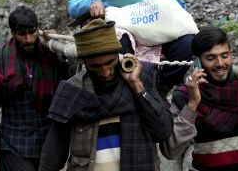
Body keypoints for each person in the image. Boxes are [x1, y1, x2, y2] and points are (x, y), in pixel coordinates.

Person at [39, 18, 173, 171]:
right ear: (84, 62)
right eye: (96, 66)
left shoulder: (143, 79)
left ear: (118, 55)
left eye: (110, 62)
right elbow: (53, 154)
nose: (105, 72)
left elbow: (163, 131)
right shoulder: (72, 92)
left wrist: (137, 87)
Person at [0, 6, 69, 171]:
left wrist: (59, 45)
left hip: (47, 144)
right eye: (22, 34)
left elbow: (71, 84)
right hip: (14, 144)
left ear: (38, 29)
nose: (28, 39)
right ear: (13, 33)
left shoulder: (52, 56)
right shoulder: (1, 62)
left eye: (32, 32)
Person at [161, 27, 238, 170]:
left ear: (231, 54)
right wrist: (192, 104)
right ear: (198, 61)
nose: (219, 63)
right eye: (210, 58)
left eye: (224, 55)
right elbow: (170, 151)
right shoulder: (186, 95)